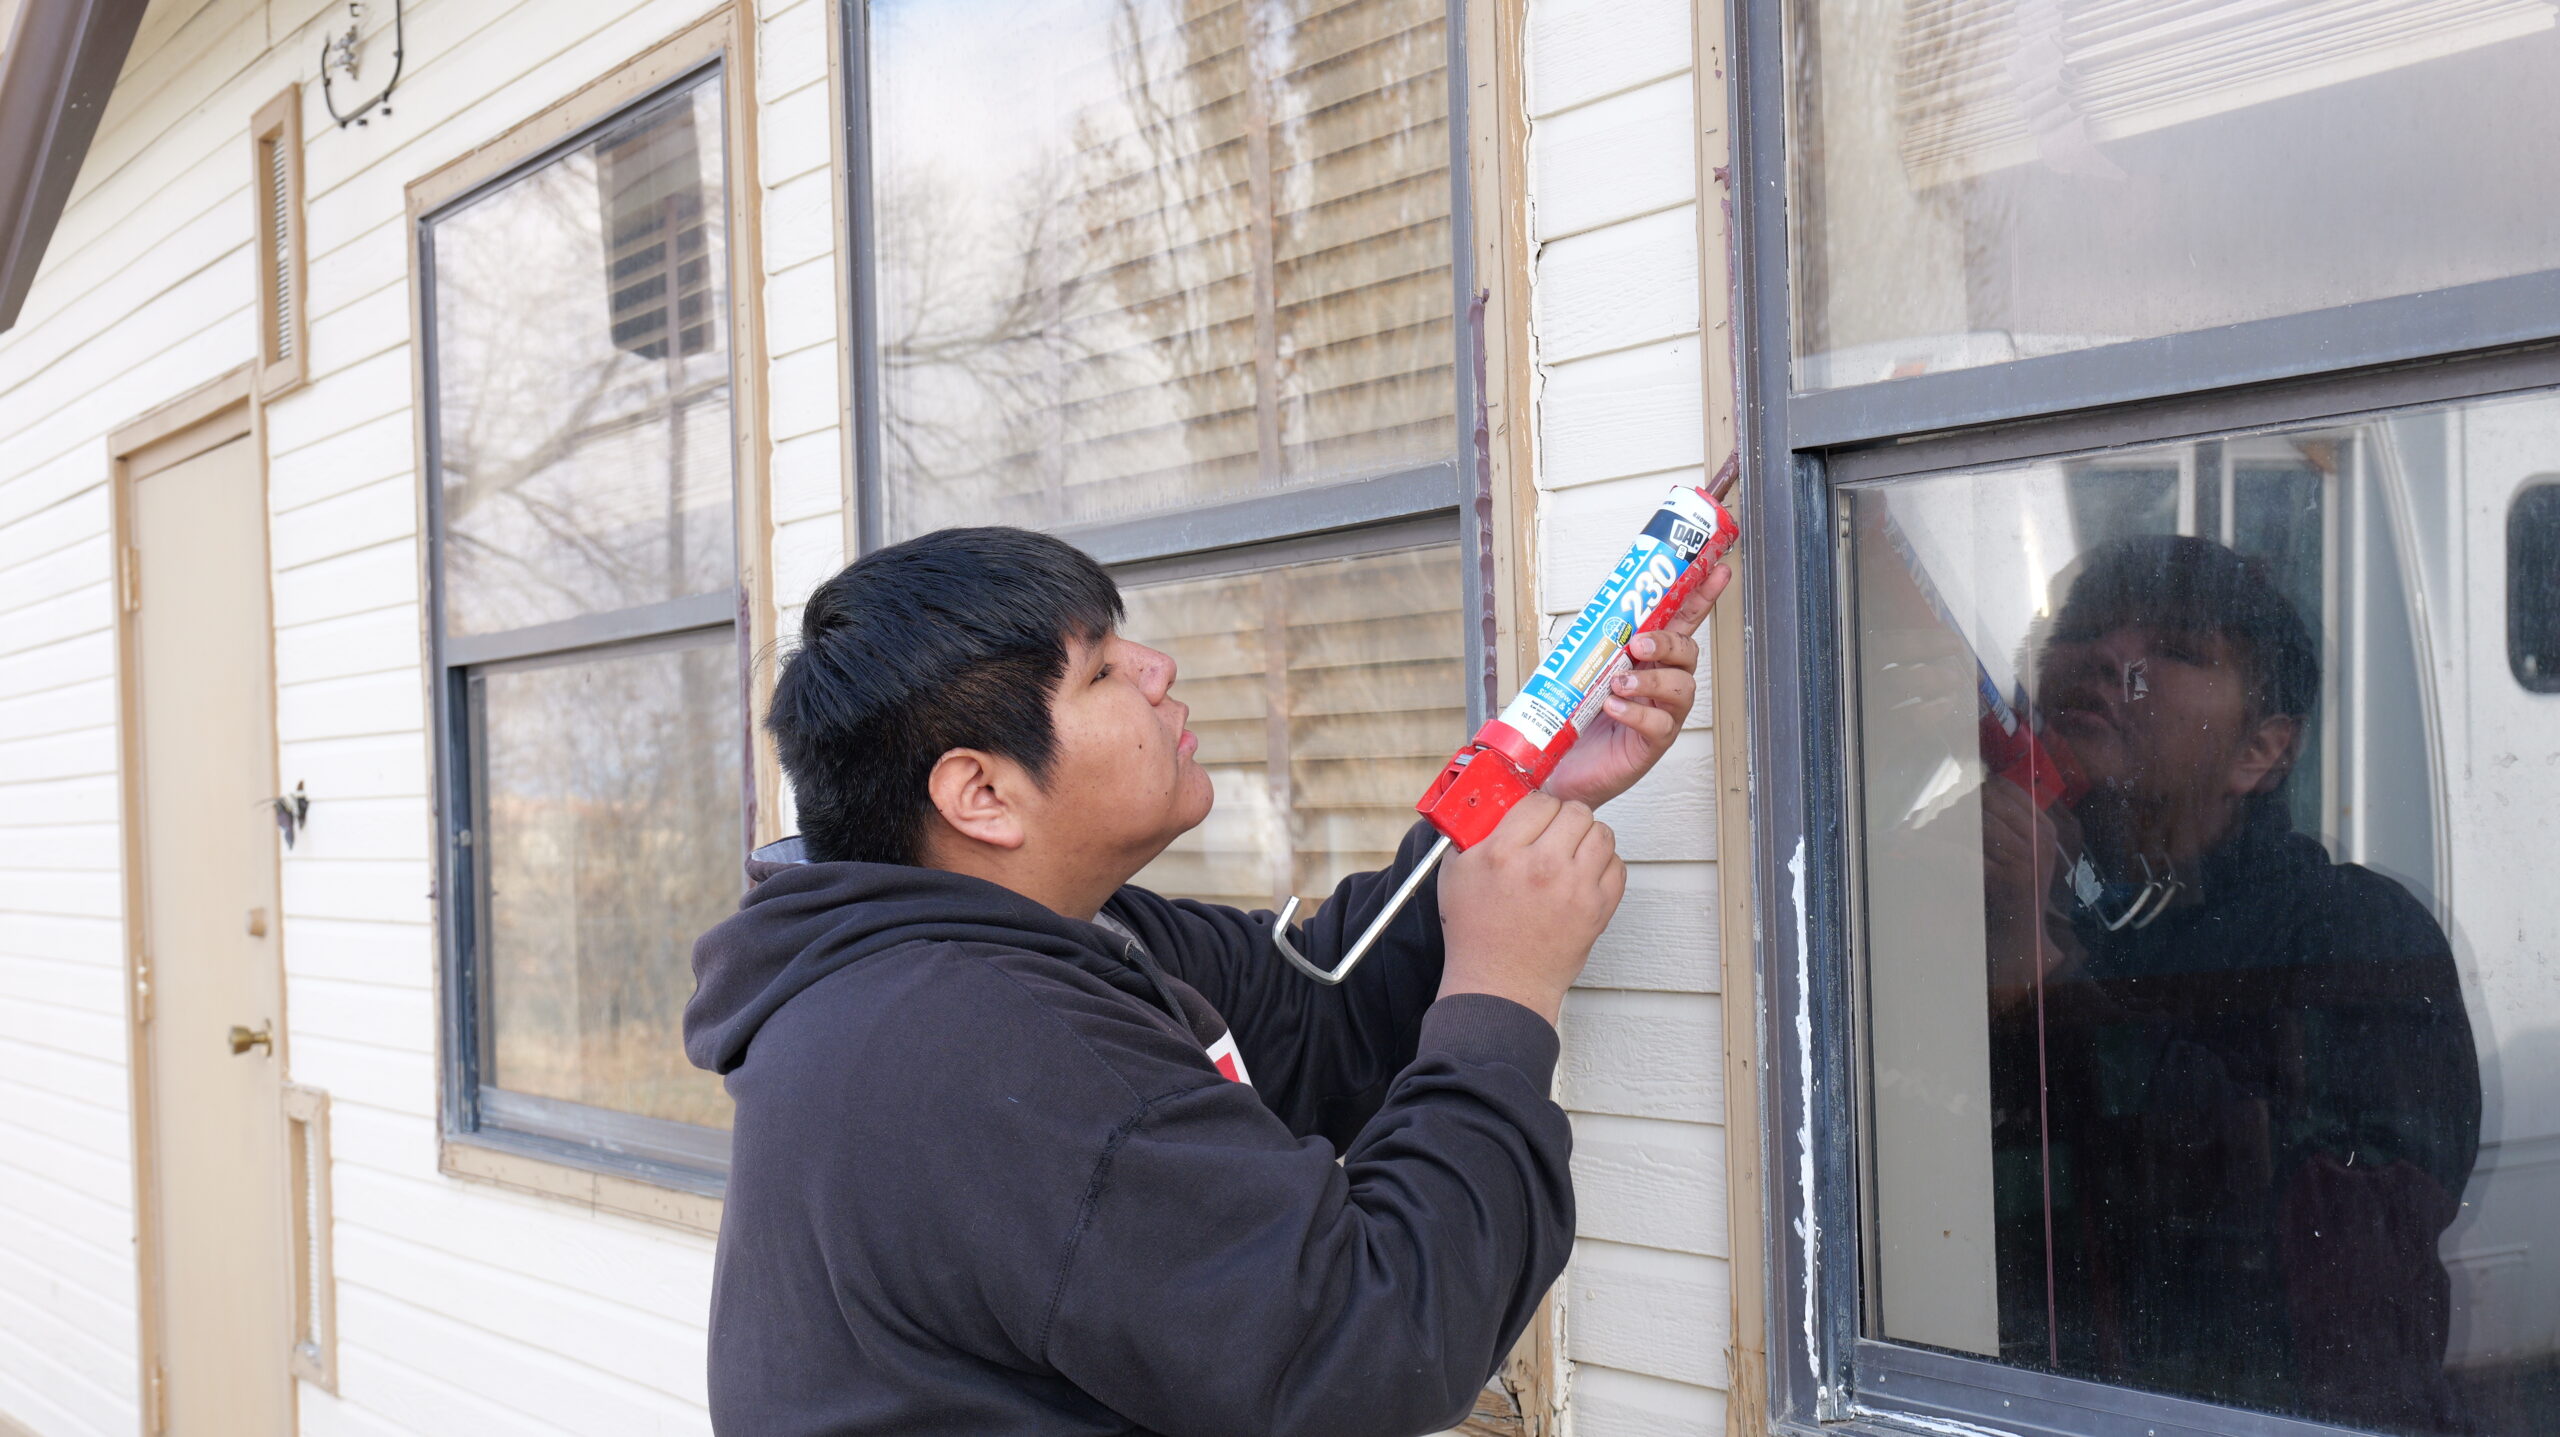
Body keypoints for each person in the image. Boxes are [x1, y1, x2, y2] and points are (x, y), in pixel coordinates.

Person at [683, 526, 1728, 1436]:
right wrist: (1504, 995)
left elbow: (1321, 1013)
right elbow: (1370, 1342)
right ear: (982, 793)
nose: (1157, 666)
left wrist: (1525, 783)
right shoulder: (988, 1049)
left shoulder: (1012, 947)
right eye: (1098, 671)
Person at [1981, 534, 2481, 1433]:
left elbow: (2309, 1239)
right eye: (2084, 629)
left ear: (2262, 749)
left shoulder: (2351, 932)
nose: (2108, 656)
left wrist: (2040, 974)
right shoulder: (2039, 898)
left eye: (2175, 649)